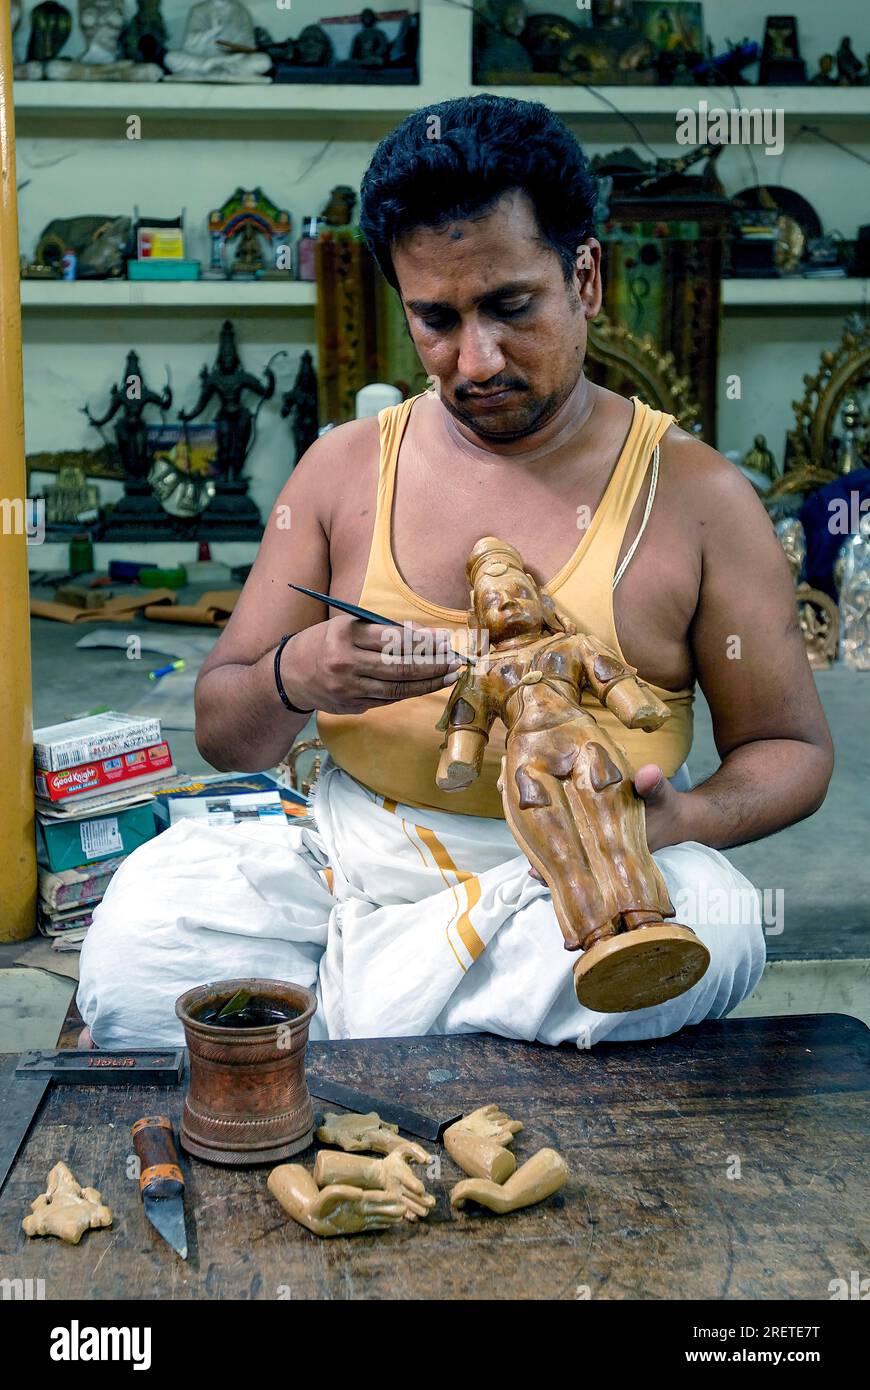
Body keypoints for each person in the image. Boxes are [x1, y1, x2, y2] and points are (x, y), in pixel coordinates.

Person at [78, 96, 832, 1048]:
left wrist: (682, 818)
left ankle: (337, 1035)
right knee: (140, 945)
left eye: (510, 307)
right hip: (349, 856)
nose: (475, 360)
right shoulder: (343, 468)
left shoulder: (698, 495)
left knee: (716, 924)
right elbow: (227, 737)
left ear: (586, 278)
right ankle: (434, 1038)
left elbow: (792, 751)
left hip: (574, 875)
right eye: (435, 320)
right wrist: (298, 674)